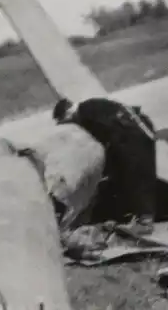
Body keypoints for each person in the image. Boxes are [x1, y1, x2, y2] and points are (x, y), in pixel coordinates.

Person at [52, 97, 157, 236]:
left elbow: (111, 132)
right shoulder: (91, 107)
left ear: (68, 112)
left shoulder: (85, 111)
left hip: (132, 136)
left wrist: (110, 161)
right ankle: (139, 215)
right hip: (137, 130)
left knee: (135, 177)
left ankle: (145, 223)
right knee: (134, 176)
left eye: (65, 121)